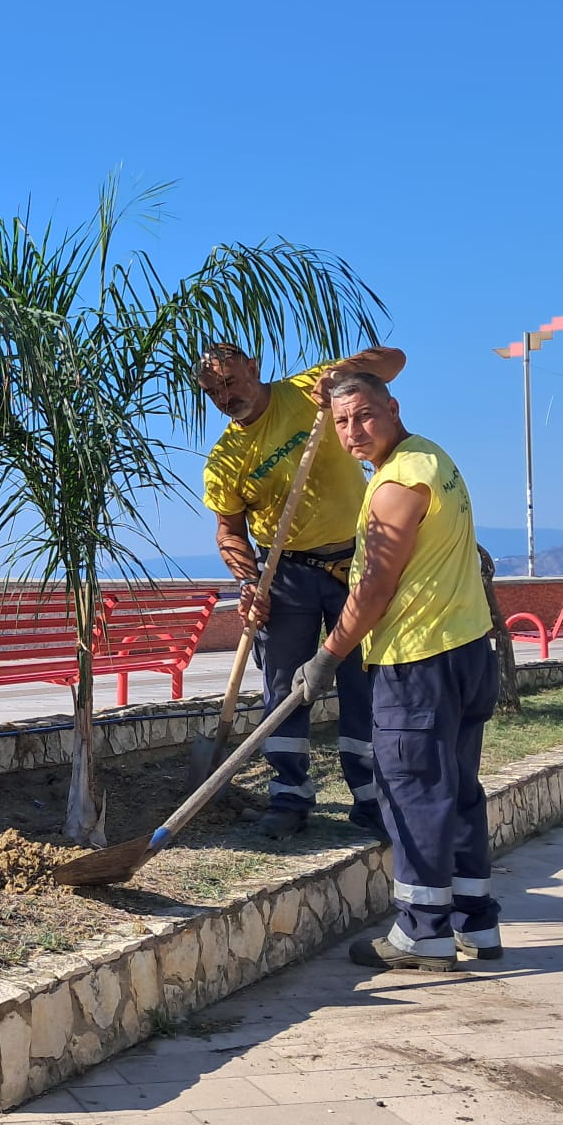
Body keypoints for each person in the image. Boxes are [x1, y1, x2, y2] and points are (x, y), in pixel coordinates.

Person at [291, 371, 501, 973]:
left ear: (393, 407)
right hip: (465, 650)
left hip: (418, 662)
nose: (353, 431)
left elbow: (377, 586)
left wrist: (328, 654)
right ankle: (475, 924)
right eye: (341, 422)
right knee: (457, 790)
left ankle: (422, 932)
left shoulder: (398, 483)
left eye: (364, 416)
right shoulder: (434, 459)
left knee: (411, 794)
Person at [200, 340, 406, 840]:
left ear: (254, 368)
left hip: (353, 563)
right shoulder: (225, 458)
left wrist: (340, 373)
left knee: (363, 681)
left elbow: (393, 361)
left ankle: (370, 798)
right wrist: (249, 582)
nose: (226, 396)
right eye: (212, 391)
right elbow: (230, 530)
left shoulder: (308, 391)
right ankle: (289, 797)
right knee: (285, 688)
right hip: (284, 573)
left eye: (231, 381)